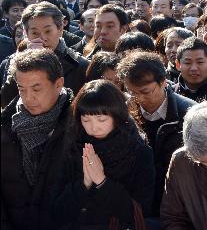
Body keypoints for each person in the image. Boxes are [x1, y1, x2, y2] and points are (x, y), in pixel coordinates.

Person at [53, 79, 155, 229]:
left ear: (117, 115)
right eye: (86, 120)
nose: (94, 128)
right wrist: (84, 183)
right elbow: (56, 211)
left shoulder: (138, 150)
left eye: (101, 119)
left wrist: (102, 182)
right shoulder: (72, 145)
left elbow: (139, 212)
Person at [0, 49, 75, 229]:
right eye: (21, 89)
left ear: (58, 84)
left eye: (36, 88)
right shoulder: (6, 126)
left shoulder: (80, 126)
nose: (28, 98)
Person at [117, 50, 196, 215]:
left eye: (145, 92)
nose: (138, 98)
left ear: (163, 82)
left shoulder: (190, 114)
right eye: (131, 92)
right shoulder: (122, 112)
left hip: (178, 202)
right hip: (135, 202)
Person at [0, 2, 89, 107]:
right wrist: (22, 63)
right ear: (26, 34)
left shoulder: (81, 65)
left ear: (60, 29)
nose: (42, 38)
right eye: (35, 33)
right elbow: (6, 101)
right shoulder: (14, 61)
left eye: (48, 31)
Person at [171, 37, 207, 103]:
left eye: (200, 62)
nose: (194, 68)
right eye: (188, 63)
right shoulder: (170, 94)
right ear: (178, 65)